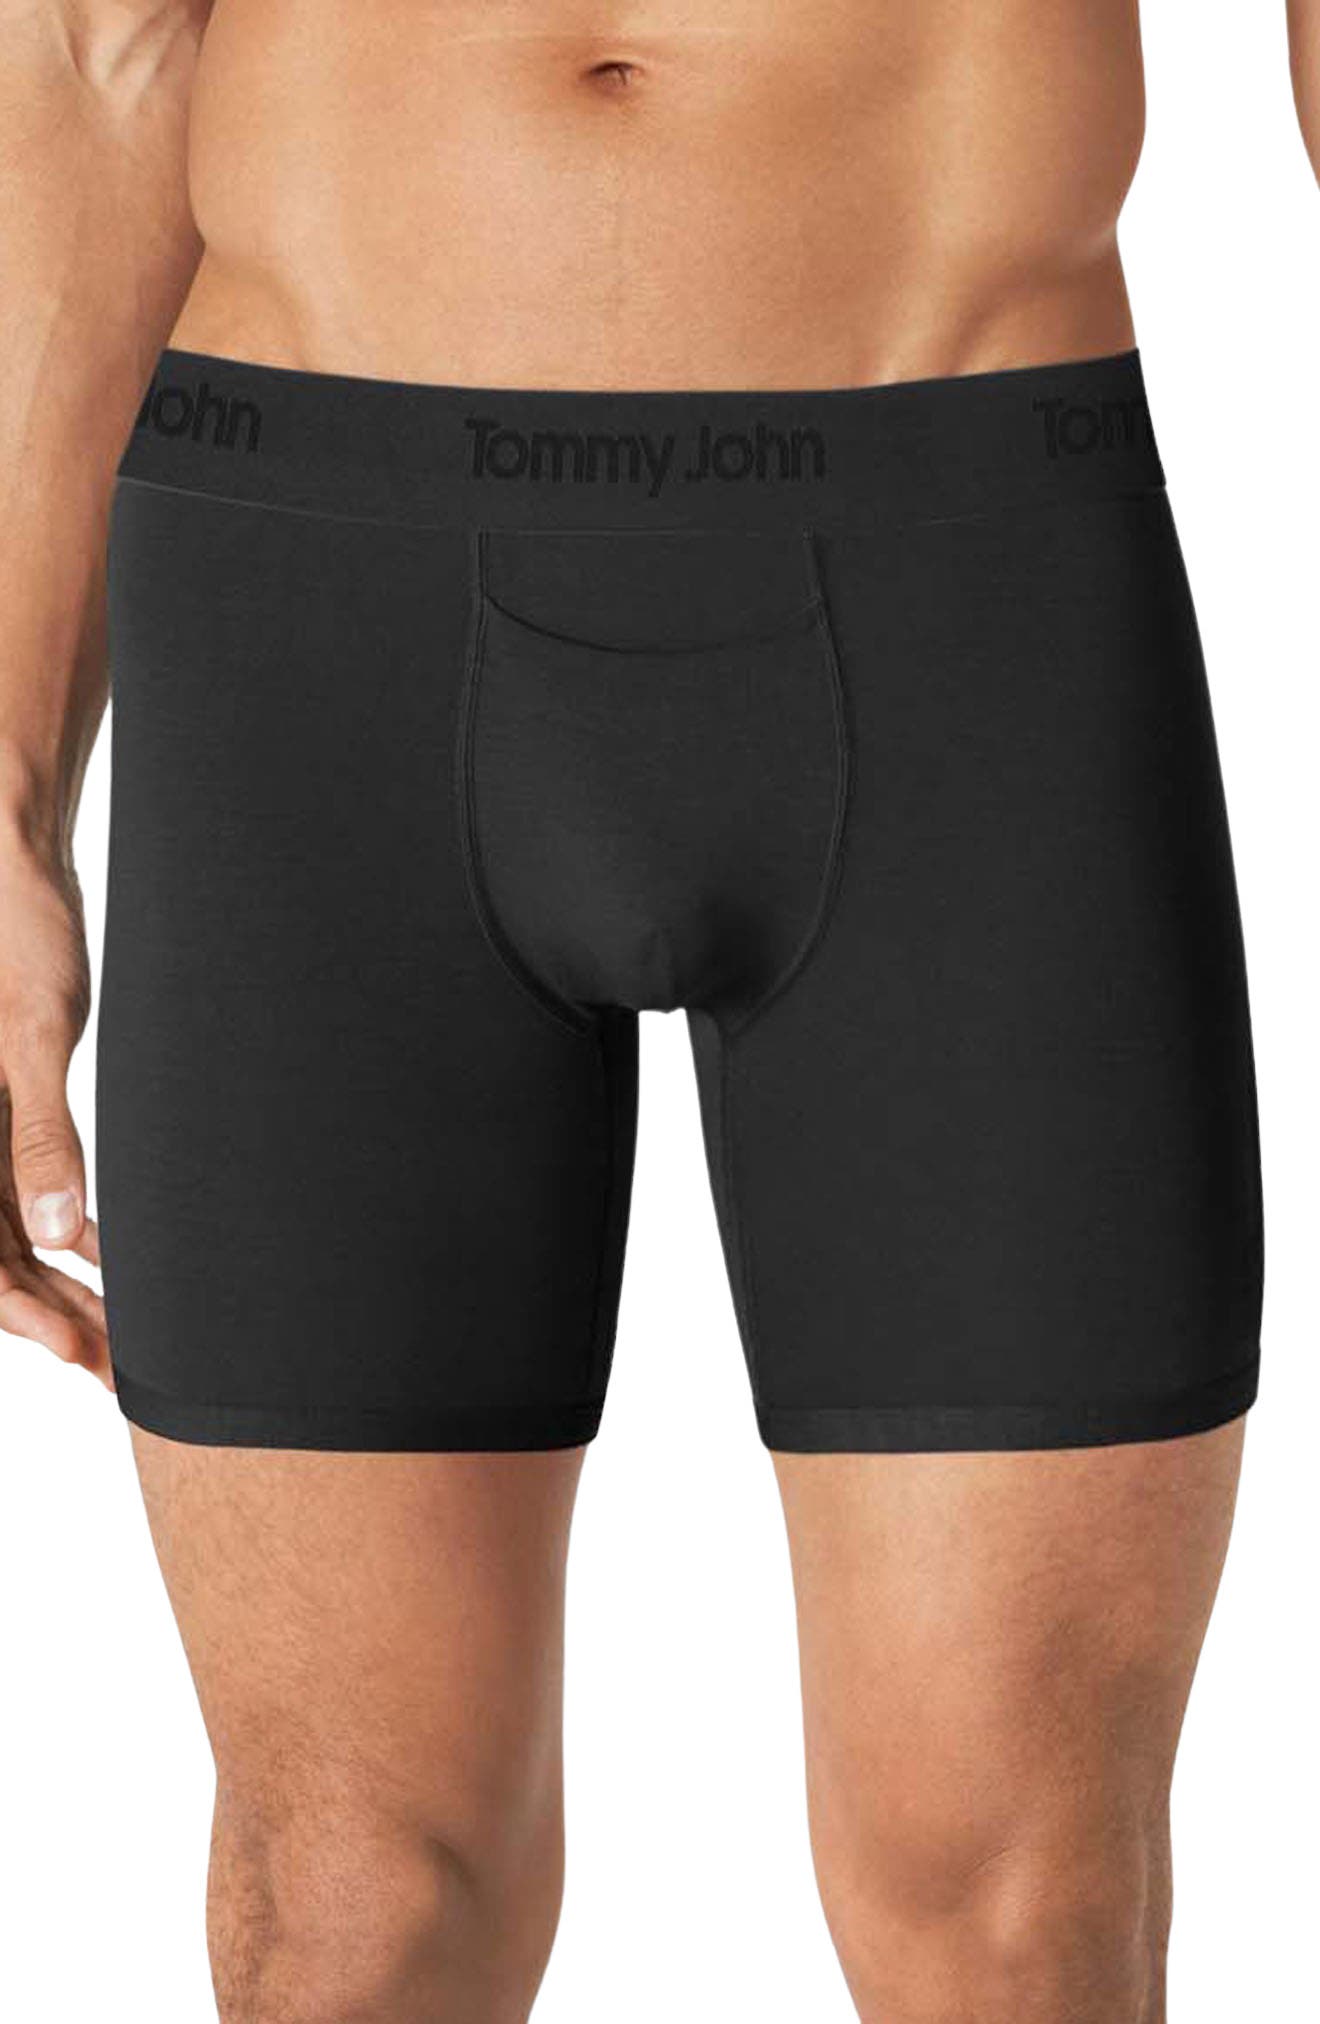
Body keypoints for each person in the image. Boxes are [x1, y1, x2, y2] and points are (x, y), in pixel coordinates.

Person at [0, 5, 1309, 2019]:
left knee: (1021, 1918)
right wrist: (6, 787)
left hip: (965, 576)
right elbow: (97, 50)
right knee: (349, 1911)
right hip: (316, 606)